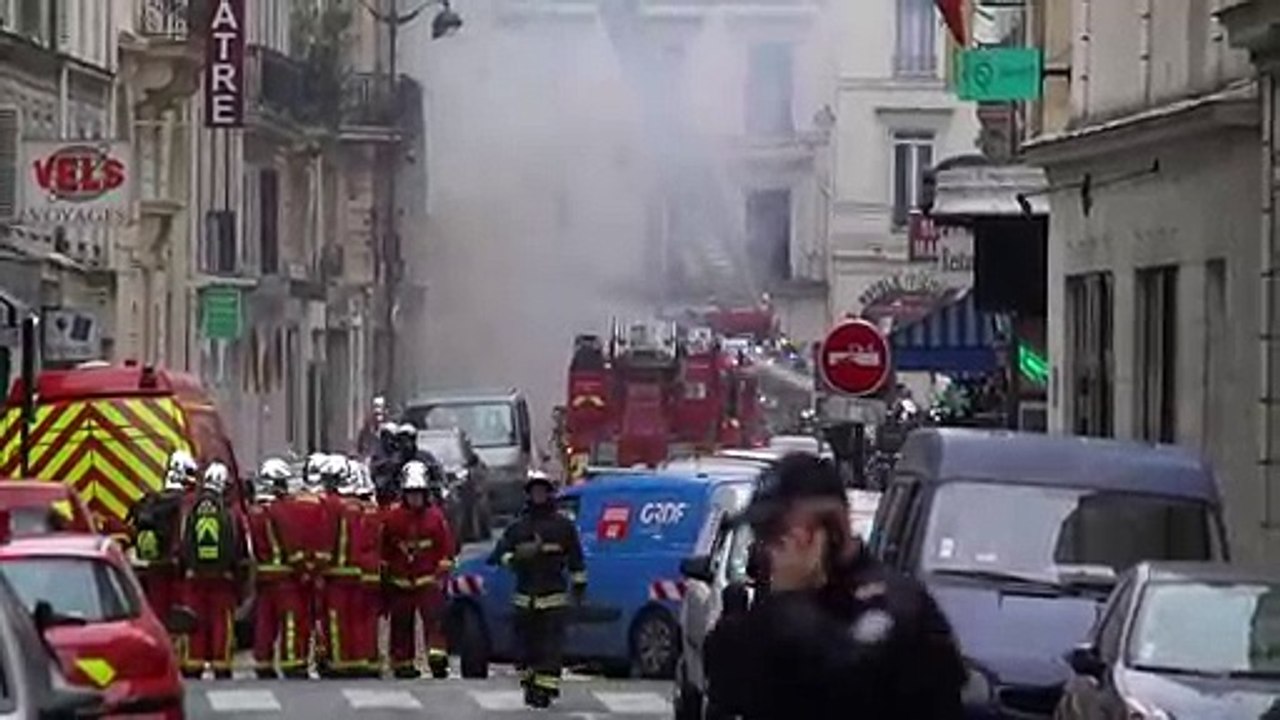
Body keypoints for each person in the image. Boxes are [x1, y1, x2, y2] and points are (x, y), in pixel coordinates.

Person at [704, 453, 965, 719]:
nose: (766, 550)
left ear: (823, 531)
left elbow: (851, 687)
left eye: (776, 535)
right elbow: (731, 687)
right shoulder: (773, 605)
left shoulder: (900, 607)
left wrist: (793, 609)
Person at [487, 470, 587, 709]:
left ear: (549, 494)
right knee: (524, 651)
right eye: (535, 491)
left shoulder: (563, 527)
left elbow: (576, 559)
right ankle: (531, 684)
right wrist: (516, 558)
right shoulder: (519, 527)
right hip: (525, 599)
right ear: (529, 495)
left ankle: (545, 689)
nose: (539, 495)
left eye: (542, 491)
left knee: (550, 649)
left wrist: (579, 587)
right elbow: (497, 556)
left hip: (553, 598)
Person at [383, 460, 455, 679]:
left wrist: (441, 574)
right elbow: (384, 547)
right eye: (411, 493)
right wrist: (386, 574)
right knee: (400, 625)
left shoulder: (435, 517)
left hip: (427, 580)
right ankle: (402, 663)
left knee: (435, 622)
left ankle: (437, 659)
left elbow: (446, 548)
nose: (415, 498)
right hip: (400, 581)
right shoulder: (392, 517)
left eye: (418, 493)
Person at [270, 457, 340, 678]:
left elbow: (292, 538)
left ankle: (295, 660)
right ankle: (320, 658)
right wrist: (316, 567)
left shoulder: (289, 506)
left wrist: (303, 567)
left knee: (297, 619)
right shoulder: (325, 505)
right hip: (320, 572)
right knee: (316, 618)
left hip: (295, 573)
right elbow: (327, 537)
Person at [178, 462, 247, 680]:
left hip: (195, 577)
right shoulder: (229, 512)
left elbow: (184, 543)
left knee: (196, 621)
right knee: (221, 622)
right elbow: (239, 548)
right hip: (222, 579)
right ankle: (221, 664)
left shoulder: (192, 509)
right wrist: (238, 577)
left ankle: (193, 663)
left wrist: (188, 568)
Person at [127, 452, 191, 624]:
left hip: (151, 566)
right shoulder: (185, 503)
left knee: (156, 609)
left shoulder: (151, 501)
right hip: (176, 570)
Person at [248, 458, 291, 679]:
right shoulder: (279, 510)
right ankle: (290, 660)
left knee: (265, 621)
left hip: (262, 573)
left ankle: (263, 661)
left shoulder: (254, 511)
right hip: (283, 574)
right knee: (288, 620)